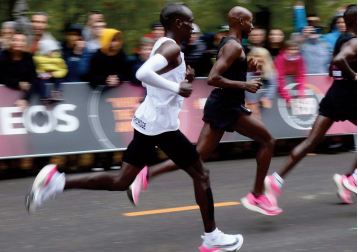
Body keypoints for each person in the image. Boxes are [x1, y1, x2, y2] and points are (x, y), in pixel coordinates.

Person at [25, 4, 244, 251]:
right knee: (201, 174)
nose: (193, 28)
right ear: (176, 23)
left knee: (122, 180)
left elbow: (158, 79)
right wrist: (177, 88)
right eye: (188, 22)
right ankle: (212, 237)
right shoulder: (171, 48)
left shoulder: (166, 45)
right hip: (161, 127)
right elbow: (143, 72)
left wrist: (184, 80)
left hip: (150, 123)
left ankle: (56, 182)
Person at [129, 6, 282, 217]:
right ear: (238, 21)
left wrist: (246, 67)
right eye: (249, 21)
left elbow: (227, 67)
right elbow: (213, 78)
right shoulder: (234, 47)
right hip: (226, 107)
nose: (252, 25)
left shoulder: (231, 44)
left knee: (195, 157)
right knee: (268, 141)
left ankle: (146, 174)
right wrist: (245, 85)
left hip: (224, 105)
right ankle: (256, 195)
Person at [265, 4, 357, 206]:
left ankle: (275, 180)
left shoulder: (342, 38)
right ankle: (352, 178)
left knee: (310, 142)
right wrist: (355, 76)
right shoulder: (355, 41)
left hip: (335, 95)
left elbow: (335, 61)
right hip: (350, 96)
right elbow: (340, 60)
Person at [0, 31, 37, 109]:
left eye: (22, 40)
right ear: (11, 41)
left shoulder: (29, 57)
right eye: (15, 40)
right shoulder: (3, 55)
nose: (18, 43)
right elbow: (2, 77)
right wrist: (18, 83)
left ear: (25, 43)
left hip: (23, 97)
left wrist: (25, 99)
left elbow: (34, 79)